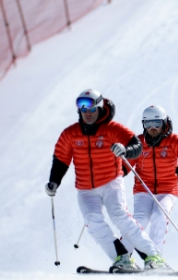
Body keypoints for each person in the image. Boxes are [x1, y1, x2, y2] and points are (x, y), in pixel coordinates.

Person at [45, 89, 167, 270]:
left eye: (91, 109)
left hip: (111, 183)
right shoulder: (70, 133)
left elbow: (136, 146)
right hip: (85, 189)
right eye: (83, 109)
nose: (87, 113)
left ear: (100, 108)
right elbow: (61, 158)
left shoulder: (113, 129)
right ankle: (122, 259)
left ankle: (153, 257)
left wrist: (125, 150)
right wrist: (54, 181)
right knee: (92, 221)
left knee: (120, 216)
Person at [122, 105, 178, 259]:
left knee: (160, 216)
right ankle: (123, 257)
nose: (152, 128)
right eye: (148, 124)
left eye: (157, 124)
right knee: (139, 220)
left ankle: (154, 258)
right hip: (143, 190)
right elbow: (125, 165)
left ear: (164, 123)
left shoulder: (174, 141)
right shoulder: (138, 143)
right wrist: (115, 173)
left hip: (167, 190)